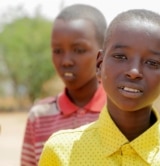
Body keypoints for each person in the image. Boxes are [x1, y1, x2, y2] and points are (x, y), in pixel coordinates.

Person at [38, 9, 160, 165]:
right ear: (99, 65)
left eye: (151, 62)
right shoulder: (61, 152)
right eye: (120, 56)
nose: (134, 72)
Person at [21, 4, 107, 166]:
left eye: (79, 50)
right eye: (57, 51)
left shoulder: (120, 113)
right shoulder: (39, 117)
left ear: (103, 54)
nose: (66, 61)